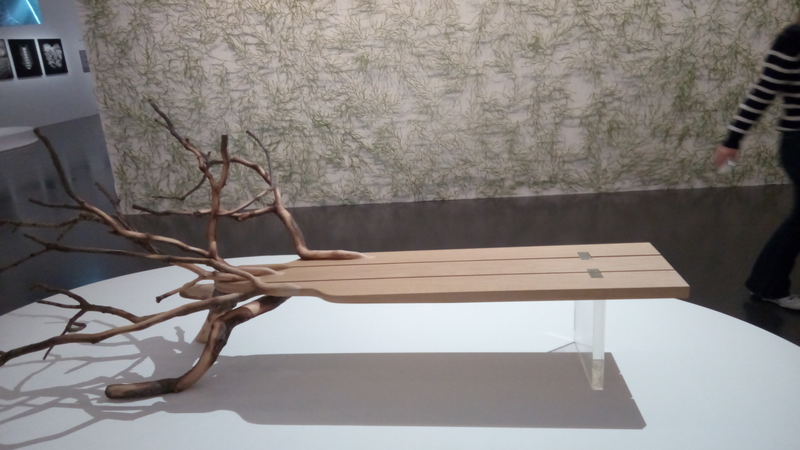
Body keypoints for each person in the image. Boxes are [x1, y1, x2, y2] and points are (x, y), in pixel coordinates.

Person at [714, 16, 800, 310]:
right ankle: (768, 285)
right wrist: (733, 139)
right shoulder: (793, 39)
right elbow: (763, 91)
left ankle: (767, 284)